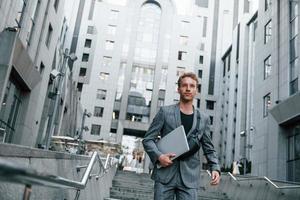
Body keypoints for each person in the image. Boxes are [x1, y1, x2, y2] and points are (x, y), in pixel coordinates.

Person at [142, 72, 221, 200]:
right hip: (164, 175)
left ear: (196, 90)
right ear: (178, 89)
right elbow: (148, 140)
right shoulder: (165, 112)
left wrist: (215, 168)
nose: (188, 88)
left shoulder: (204, 119)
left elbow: (209, 147)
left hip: (190, 178)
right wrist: (159, 156)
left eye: (192, 86)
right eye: (184, 85)